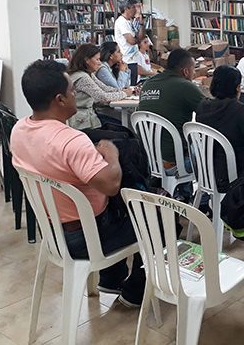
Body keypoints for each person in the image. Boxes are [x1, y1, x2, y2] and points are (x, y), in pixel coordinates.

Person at [10, 59, 144, 307]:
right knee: (155, 219)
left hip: (51, 232)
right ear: (60, 99)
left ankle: (111, 278)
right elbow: (111, 184)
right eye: (73, 91)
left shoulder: (19, 129)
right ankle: (134, 294)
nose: (76, 95)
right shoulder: (72, 140)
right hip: (86, 237)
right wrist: (111, 156)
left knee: (115, 207)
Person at [138, 48, 204, 199]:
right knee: (209, 153)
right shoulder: (185, 86)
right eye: (194, 70)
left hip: (149, 159)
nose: (194, 74)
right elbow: (212, 112)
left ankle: (182, 194)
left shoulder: (148, 84)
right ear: (186, 71)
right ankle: (202, 201)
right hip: (175, 162)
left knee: (183, 143)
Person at [66, 44, 131, 130]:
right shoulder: (82, 78)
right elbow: (103, 97)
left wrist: (124, 90)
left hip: (87, 117)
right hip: (82, 123)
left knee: (122, 127)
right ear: (87, 60)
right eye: (97, 59)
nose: (100, 63)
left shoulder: (88, 74)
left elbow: (105, 88)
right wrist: (124, 94)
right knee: (124, 129)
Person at [114, 0, 146, 76]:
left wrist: (141, 24)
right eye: (133, 7)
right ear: (126, 9)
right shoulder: (121, 22)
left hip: (134, 58)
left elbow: (141, 37)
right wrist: (138, 40)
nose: (135, 10)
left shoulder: (130, 21)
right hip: (127, 60)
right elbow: (132, 41)